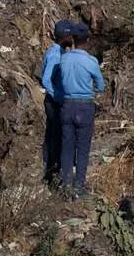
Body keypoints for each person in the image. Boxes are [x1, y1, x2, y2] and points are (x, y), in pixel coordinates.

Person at [54, 24, 104, 196]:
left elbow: (59, 80)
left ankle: (66, 185)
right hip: (85, 106)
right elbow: (101, 86)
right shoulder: (91, 61)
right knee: (83, 148)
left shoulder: (63, 59)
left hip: (67, 105)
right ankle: (79, 187)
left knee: (67, 146)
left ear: (72, 40)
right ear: (88, 41)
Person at [40, 20, 73, 185]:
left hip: (55, 100)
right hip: (54, 102)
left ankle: (52, 169)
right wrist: (59, 96)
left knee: (54, 134)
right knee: (54, 135)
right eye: (70, 35)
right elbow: (46, 80)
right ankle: (51, 171)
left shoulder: (60, 51)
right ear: (65, 36)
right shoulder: (55, 54)